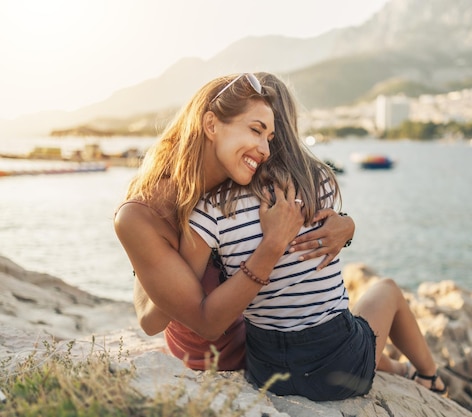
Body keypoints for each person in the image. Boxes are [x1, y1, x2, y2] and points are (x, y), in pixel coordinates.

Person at [179, 71, 448, 400]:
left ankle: (404, 370)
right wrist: (346, 225)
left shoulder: (208, 208)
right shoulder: (317, 181)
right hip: (337, 363)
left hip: (266, 370)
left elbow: (190, 295)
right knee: (387, 291)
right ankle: (429, 377)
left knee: (357, 339)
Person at [114, 71, 355, 371]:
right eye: (257, 131)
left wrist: (345, 225)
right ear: (211, 124)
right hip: (223, 354)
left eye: (271, 138)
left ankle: (402, 370)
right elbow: (151, 321)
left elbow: (297, 218)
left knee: (348, 334)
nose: (267, 151)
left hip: (264, 343)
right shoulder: (146, 211)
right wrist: (144, 264)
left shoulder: (235, 185)